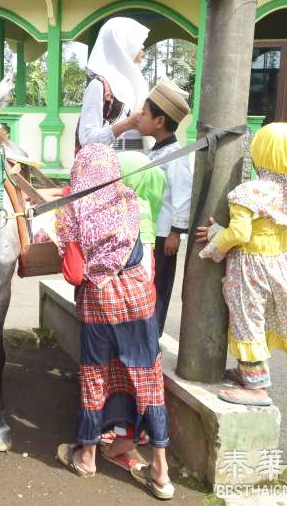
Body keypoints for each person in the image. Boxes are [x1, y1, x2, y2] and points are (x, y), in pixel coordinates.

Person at [54, 142, 173, 501]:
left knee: (96, 374)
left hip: (100, 299)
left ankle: (87, 455)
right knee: (147, 376)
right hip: (138, 296)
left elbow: (74, 273)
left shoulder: (71, 208)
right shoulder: (130, 199)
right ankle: (161, 472)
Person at [197, 123, 287, 406]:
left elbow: (239, 234)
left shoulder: (249, 191)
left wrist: (215, 237)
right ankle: (248, 371)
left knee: (246, 322)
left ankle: (256, 387)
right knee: (264, 319)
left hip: (252, 265)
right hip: (281, 262)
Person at [136, 77, 192, 336]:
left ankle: (153, 336)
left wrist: (175, 233)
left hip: (163, 236)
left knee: (159, 286)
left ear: (159, 121)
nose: (139, 117)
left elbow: (183, 196)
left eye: (144, 113)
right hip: (149, 233)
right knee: (146, 284)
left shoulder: (177, 156)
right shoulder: (156, 151)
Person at [76, 17, 150, 152]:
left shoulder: (136, 85)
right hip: (110, 170)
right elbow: (87, 139)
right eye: (138, 41)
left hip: (138, 167)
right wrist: (127, 124)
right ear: (122, 43)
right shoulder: (98, 86)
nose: (143, 46)